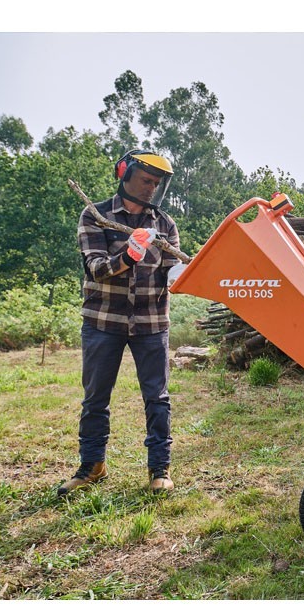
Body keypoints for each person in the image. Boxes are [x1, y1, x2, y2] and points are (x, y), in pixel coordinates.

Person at [58, 150, 181, 497]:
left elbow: (170, 273)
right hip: (103, 320)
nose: (151, 188)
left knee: (157, 398)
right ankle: (92, 466)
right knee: (95, 398)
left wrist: (185, 274)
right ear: (124, 174)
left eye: (156, 183)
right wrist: (128, 255)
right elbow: (96, 267)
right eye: (146, 180)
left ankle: (160, 469)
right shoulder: (96, 215)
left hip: (151, 321)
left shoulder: (165, 225)